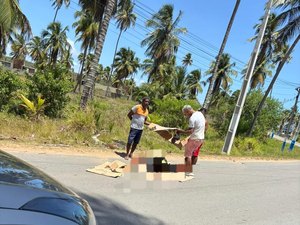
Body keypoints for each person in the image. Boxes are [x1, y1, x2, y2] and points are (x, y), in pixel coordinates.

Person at [176, 105, 206, 177]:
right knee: (191, 154)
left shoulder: (192, 118)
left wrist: (180, 131)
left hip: (195, 138)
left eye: (185, 114)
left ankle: (188, 172)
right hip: (201, 138)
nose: (186, 116)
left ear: (188, 111)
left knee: (187, 155)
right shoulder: (200, 114)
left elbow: (190, 131)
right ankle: (189, 170)